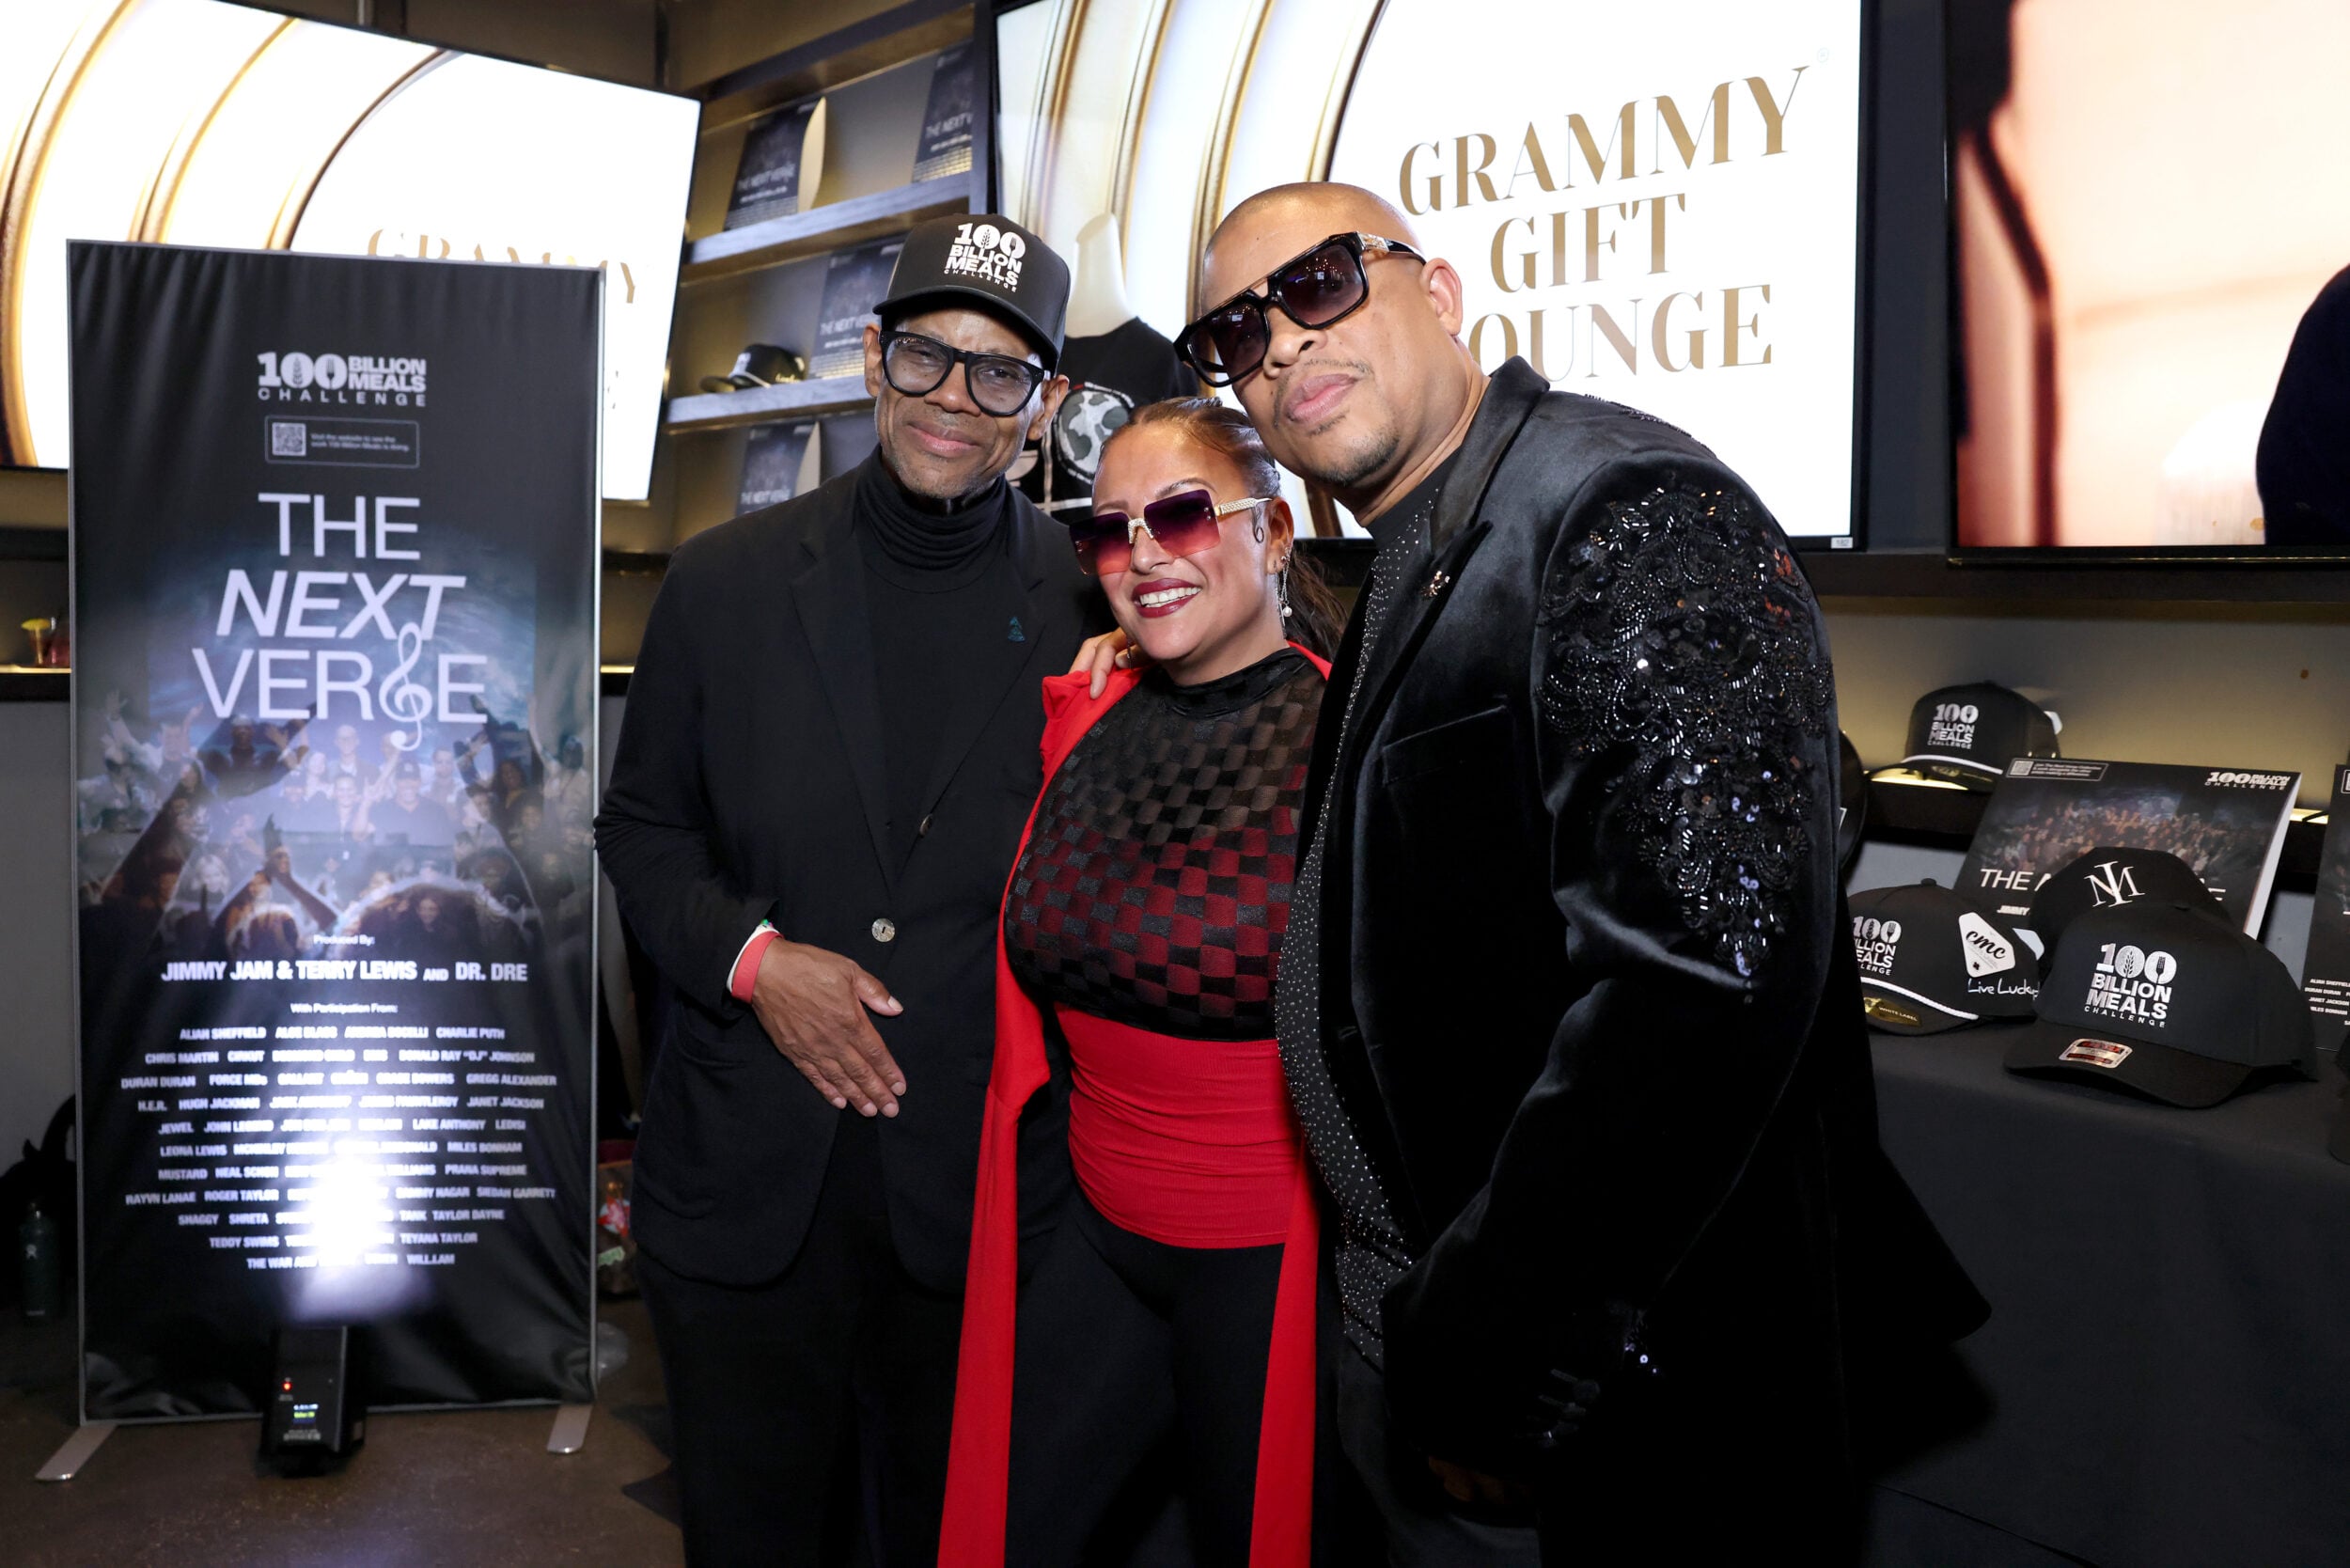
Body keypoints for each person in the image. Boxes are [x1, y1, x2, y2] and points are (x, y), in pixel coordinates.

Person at [1089, 181, 1988, 1562]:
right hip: (1441, 1344)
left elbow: (1700, 987)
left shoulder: (1625, 502)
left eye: (1321, 283)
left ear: (1439, 295)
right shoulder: (1425, 540)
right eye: (1234, 333)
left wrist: (1490, 1352)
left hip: (1603, 1399)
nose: (1277, 344)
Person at [595, 212, 1103, 1567]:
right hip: (751, 1192)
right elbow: (643, 833)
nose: (955, 399)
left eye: (999, 374)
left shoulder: (1093, 604)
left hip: (976, 1206)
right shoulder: (724, 583)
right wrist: (761, 964)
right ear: (873, 359)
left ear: (1042, 405)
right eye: (930, 357)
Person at [940, 400, 1340, 1568]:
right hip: (1092, 1233)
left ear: (1270, 531)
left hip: (1270, 1270)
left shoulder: (1349, 733)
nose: (1143, 555)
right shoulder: (1092, 714)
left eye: (1178, 516)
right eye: (1110, 533)